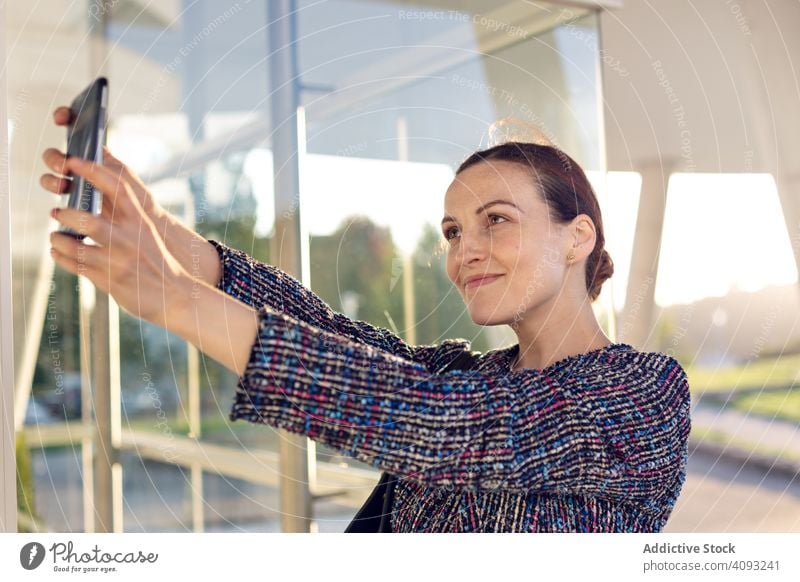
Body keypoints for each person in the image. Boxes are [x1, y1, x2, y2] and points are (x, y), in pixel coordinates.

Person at [41, 106, 691, 532]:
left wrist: (175, 299)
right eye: (452, 230)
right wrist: (151, 223)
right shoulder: (460, 372)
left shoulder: (644, 395)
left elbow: (437, 424)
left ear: (578, 237)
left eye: (496, 220)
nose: (464, 249)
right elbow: (326, 336)